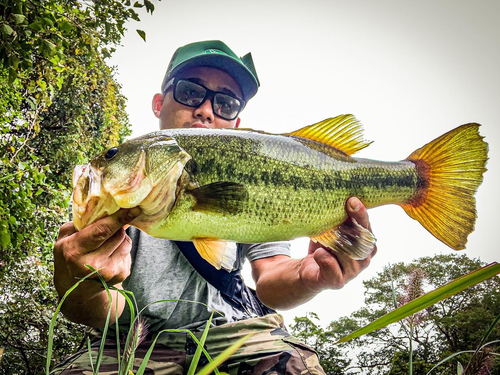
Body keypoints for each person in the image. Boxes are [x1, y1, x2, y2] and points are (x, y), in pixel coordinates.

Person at [52, 40, 376, 374]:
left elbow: (271, 275)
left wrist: (312, 277)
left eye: (225, 103)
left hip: (235, 333)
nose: (206, 109)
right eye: (191, 92)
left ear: (236, 123)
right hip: (130, 341)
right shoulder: (118, 187)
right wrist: (84, 283)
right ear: (159, 103)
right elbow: (105, 305)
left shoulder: (255, 167)